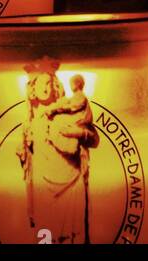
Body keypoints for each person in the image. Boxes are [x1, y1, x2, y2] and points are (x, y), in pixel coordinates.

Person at [17, 61, 99, 244]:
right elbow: (27, 157)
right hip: (43, 183)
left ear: (56, 86)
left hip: (70, 179)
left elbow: (94, 139)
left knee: (72, 235)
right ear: (32, 88)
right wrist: (22, 150)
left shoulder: (67, 111)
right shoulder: (29, 122)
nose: (46, 88)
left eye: (49, 83)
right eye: (41, 83)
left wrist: (81, 133)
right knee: (46, 235)